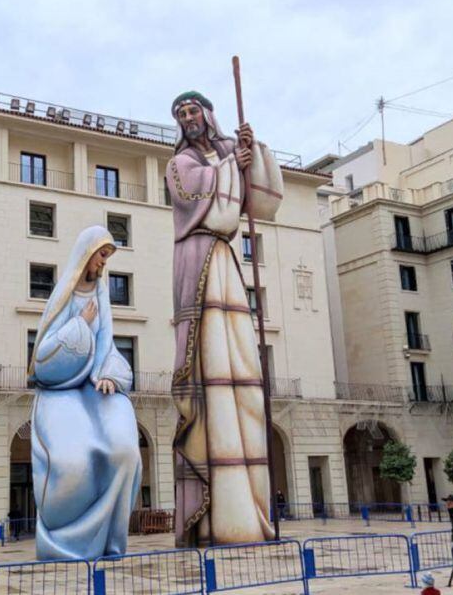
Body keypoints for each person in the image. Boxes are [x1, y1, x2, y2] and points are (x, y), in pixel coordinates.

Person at [166, 90, 285, 548]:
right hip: (197, 259)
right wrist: (233, 163)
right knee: (209, 366)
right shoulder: (179, 164)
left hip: (224, 261)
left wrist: (251, 152)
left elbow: (262, 202)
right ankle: (215, 513)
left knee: (239, 369)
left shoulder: (221, 154)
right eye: (181, 114)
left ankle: (248, 514)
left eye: (193, 109)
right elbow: (201, 194)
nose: (188, 117)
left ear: (207, 114)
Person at [28, 226, 142, 560]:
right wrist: (79, 324)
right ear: (86, 254)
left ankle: (110, 541)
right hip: (60, 389)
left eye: (107, 257)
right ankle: (66, 542)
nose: (104, 263)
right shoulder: (63, 293)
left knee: (125, 451)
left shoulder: (101, 291)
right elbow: (44, 352)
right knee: (72, 462)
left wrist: (106, 373)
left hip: (93, 384)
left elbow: (106, 336)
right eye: (102, 255)